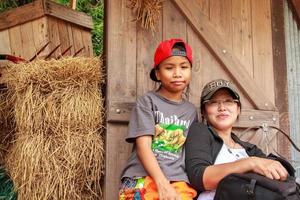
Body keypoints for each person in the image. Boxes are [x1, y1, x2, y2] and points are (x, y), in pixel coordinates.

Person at [118, 38, 198, 200]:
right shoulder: (147, 102)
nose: (177, 73)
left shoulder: (191, 111)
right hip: (141, 177)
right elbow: (143, 147)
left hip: (178, 181)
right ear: (157, 73)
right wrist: (162, 183)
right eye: (169, 68)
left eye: (184, 67)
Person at [185, 79, 288, 200]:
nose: (222, 107)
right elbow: (200, 179)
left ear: (238, 109)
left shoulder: (250, 149)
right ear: (204, 111)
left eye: (229, 101)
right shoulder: (200, 131)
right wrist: (251, 163)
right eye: (213, 102)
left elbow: (276, 174)